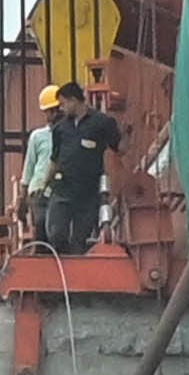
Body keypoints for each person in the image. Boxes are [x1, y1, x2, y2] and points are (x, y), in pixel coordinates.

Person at [39, 82, 125, 255]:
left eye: (63, 104)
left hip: (88, 192)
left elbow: (119, 147)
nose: (61, 109)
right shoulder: (60, 129)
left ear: (73, 100)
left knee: (79, 239)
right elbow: (54, 160)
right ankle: (62, 261)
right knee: (56, 233)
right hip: (63, 189)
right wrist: (45, 184)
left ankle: (73, 270)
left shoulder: (102, 123)